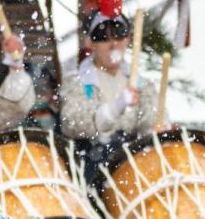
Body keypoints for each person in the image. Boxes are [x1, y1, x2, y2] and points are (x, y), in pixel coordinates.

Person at [60, 10, 164, 142]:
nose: (113, 44)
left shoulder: (141, 84)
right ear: (90, 43)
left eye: (119, 36)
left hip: (131, 156)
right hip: (89, 156)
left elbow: (153, 119)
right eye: (103, 38)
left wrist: (155, 129)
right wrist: (115, 107)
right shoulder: (76, 83)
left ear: (128, 40)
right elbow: (72, 123)